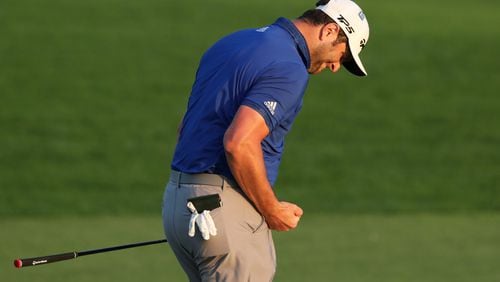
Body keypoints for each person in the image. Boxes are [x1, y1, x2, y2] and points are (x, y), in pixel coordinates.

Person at [162, 0, 370, 281]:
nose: (335, 67)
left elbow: (185, 127)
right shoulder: (289, 66)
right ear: (329, 31)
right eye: (342, 57)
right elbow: (239, 142)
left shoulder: (231, 42)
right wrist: (271, 210)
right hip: (221, 211)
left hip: (179, 204)